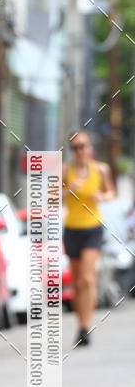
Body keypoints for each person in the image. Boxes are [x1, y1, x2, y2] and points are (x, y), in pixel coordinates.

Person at [62, 129, 115, 346]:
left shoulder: (100, 169)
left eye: (83, 146)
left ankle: (86, 327)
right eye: (75, 148)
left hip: (93, 228)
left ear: (90, 147)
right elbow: (51, 196)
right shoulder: (65, 170)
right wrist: (68, 190)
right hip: (72, 229)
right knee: (77, 283)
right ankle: (81, 325)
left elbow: (111, 192)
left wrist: (102, 196)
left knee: (87, 278)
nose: (79, 151)